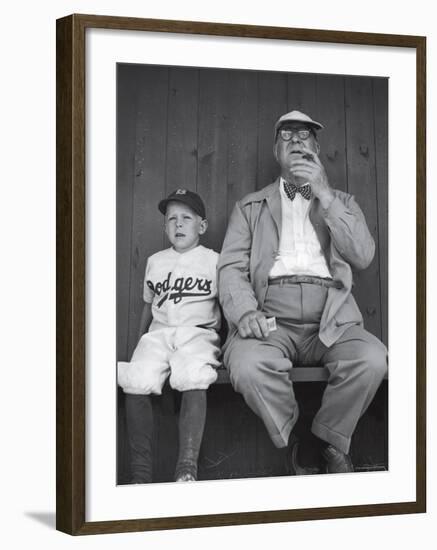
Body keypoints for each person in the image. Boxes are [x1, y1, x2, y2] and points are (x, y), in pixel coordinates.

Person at [217, 110, 387, 474]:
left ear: (317, 148)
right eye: (287, 136)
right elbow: (230, 267)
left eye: (304, 135)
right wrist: (245, 312)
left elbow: (364, 255)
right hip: (270, 319)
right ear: (276, 152)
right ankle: (299, 437)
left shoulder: (341, 201)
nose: (296, 141)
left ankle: (325, 440)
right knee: (246, 366)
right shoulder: (250, 207)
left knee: (372, 358)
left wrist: (325, 195)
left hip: (332, 317)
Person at [118, 189, 221, 483]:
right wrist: (140, 341)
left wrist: (226, 344)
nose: (178, 224)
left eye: (186, 218)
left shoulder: (214, 260)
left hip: (198, 334)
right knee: (136, 377)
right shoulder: (155, 261)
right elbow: (148, 307)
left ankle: (186, 467)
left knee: (193, 373)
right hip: (159, 334)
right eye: (171, 219)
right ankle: (141, 473)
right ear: (164, 227)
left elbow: (226, 303)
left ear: (201, 226)